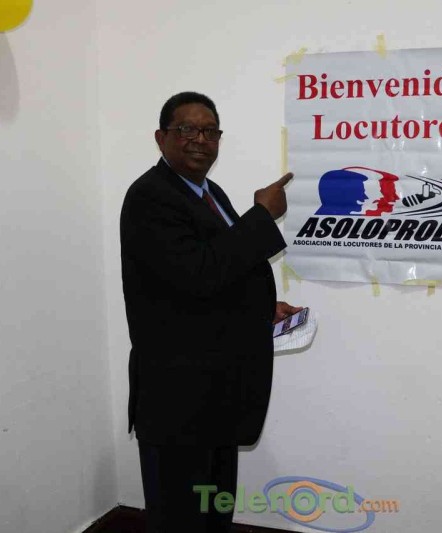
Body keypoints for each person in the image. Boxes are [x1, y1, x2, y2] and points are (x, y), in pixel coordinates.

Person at [120, 91, 301, 533]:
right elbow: (199, 273)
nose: (200, 140)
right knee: (180, 517)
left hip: (217, 394)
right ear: (161, 137)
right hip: (177, 398)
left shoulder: (209, 192)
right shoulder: (149, 197)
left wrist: (264, 307)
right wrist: (262, 215)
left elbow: (220, 270)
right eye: (186, 129)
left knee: (215, 510)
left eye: (209, 131)